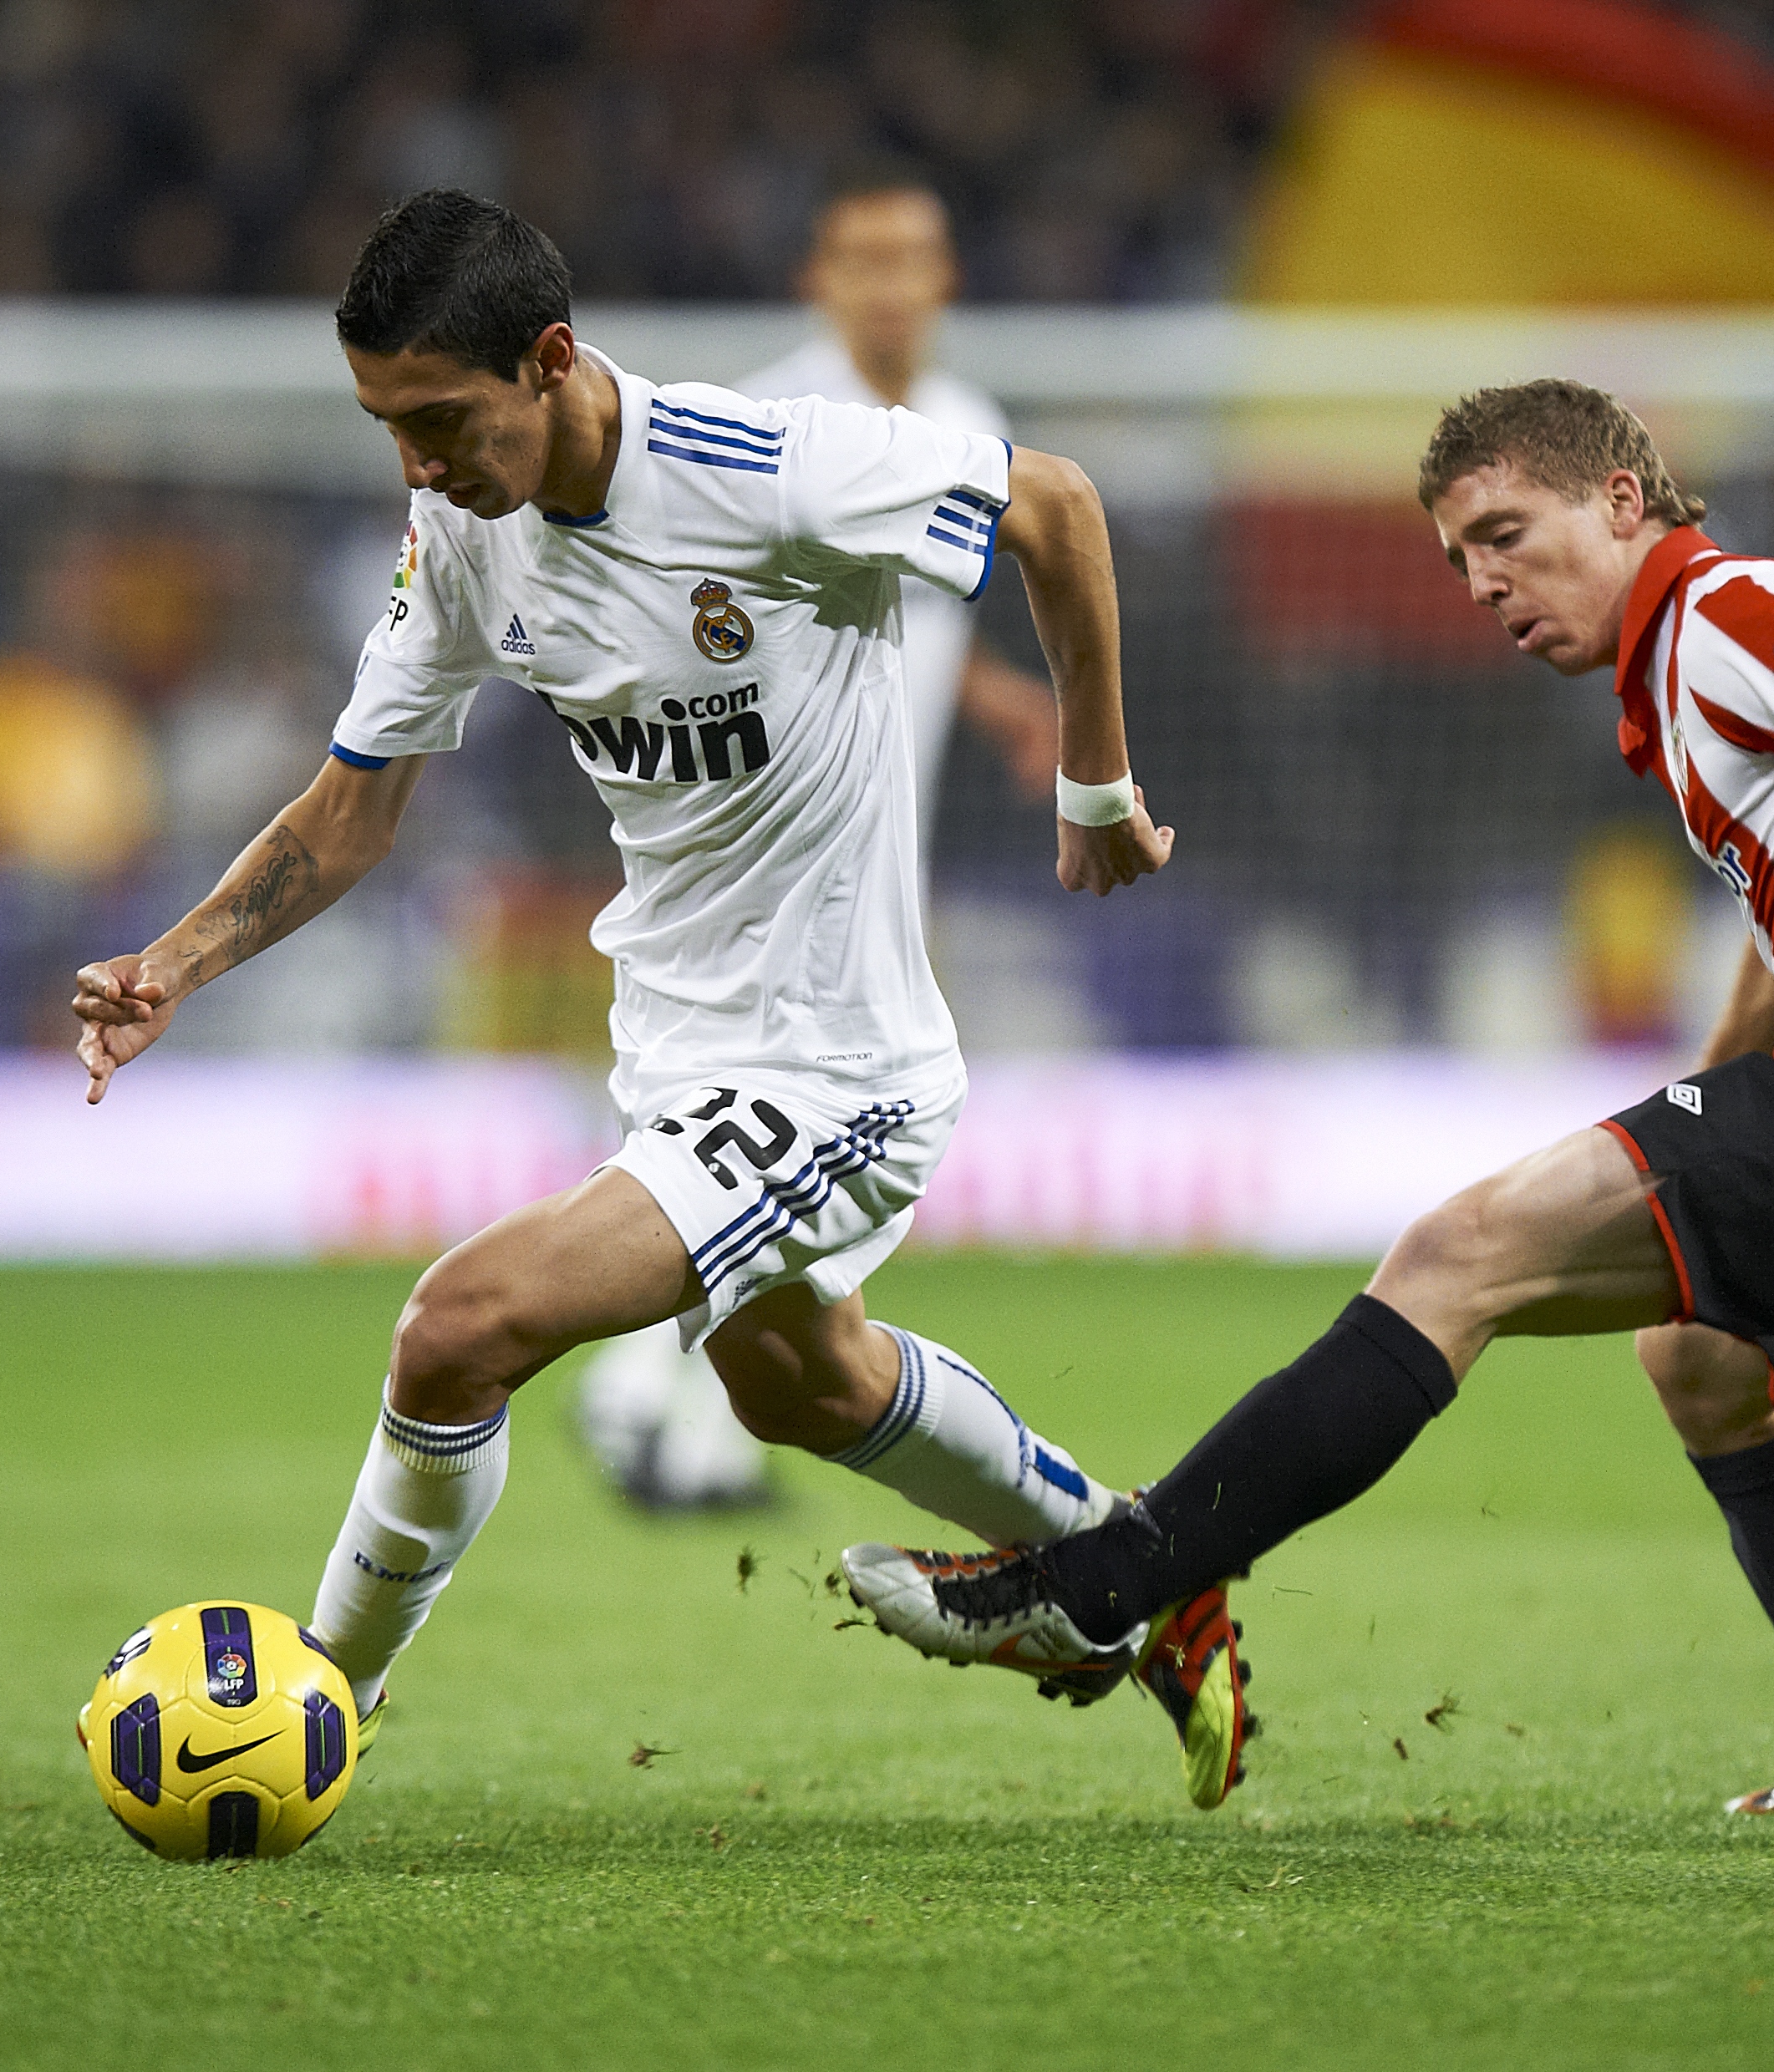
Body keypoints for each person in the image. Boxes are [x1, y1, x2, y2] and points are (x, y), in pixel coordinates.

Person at [845, 379, 1774, 1815]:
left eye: (1506, 534)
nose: (1482, 583)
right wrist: (1699, 1109)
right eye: (1457, 560)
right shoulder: (1681, 680)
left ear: (1621, 501)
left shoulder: (1725, 610)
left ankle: (1110, 1586)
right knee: (1703, 1368)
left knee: (1455, 1256)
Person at [69, 190, 1247, 1805]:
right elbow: (355, 806)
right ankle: (1144, 1575)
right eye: (385, 425)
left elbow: (1057, 508)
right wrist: (172, 967)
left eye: (440, 419)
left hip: (839, 1065)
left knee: (458, 1329)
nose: (414, 460)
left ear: (551, 362)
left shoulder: (761, 465)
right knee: (795, 1380)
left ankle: (318, 1700)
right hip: (680, 1054)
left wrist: (1098, 785)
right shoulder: (468, 531)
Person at [577, 164, 1060, 1513]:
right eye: (866, 258)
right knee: (784, 1104)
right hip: (765, 827)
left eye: (917, 256)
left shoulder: (965, 419)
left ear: (945, 279)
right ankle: (669, 1413)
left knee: (783, 1120)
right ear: (819, 279)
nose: (893, 283)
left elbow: (909, 608)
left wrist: (1003, 696)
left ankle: (649, 1402)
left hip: (882, 825)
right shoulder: (767, 427)